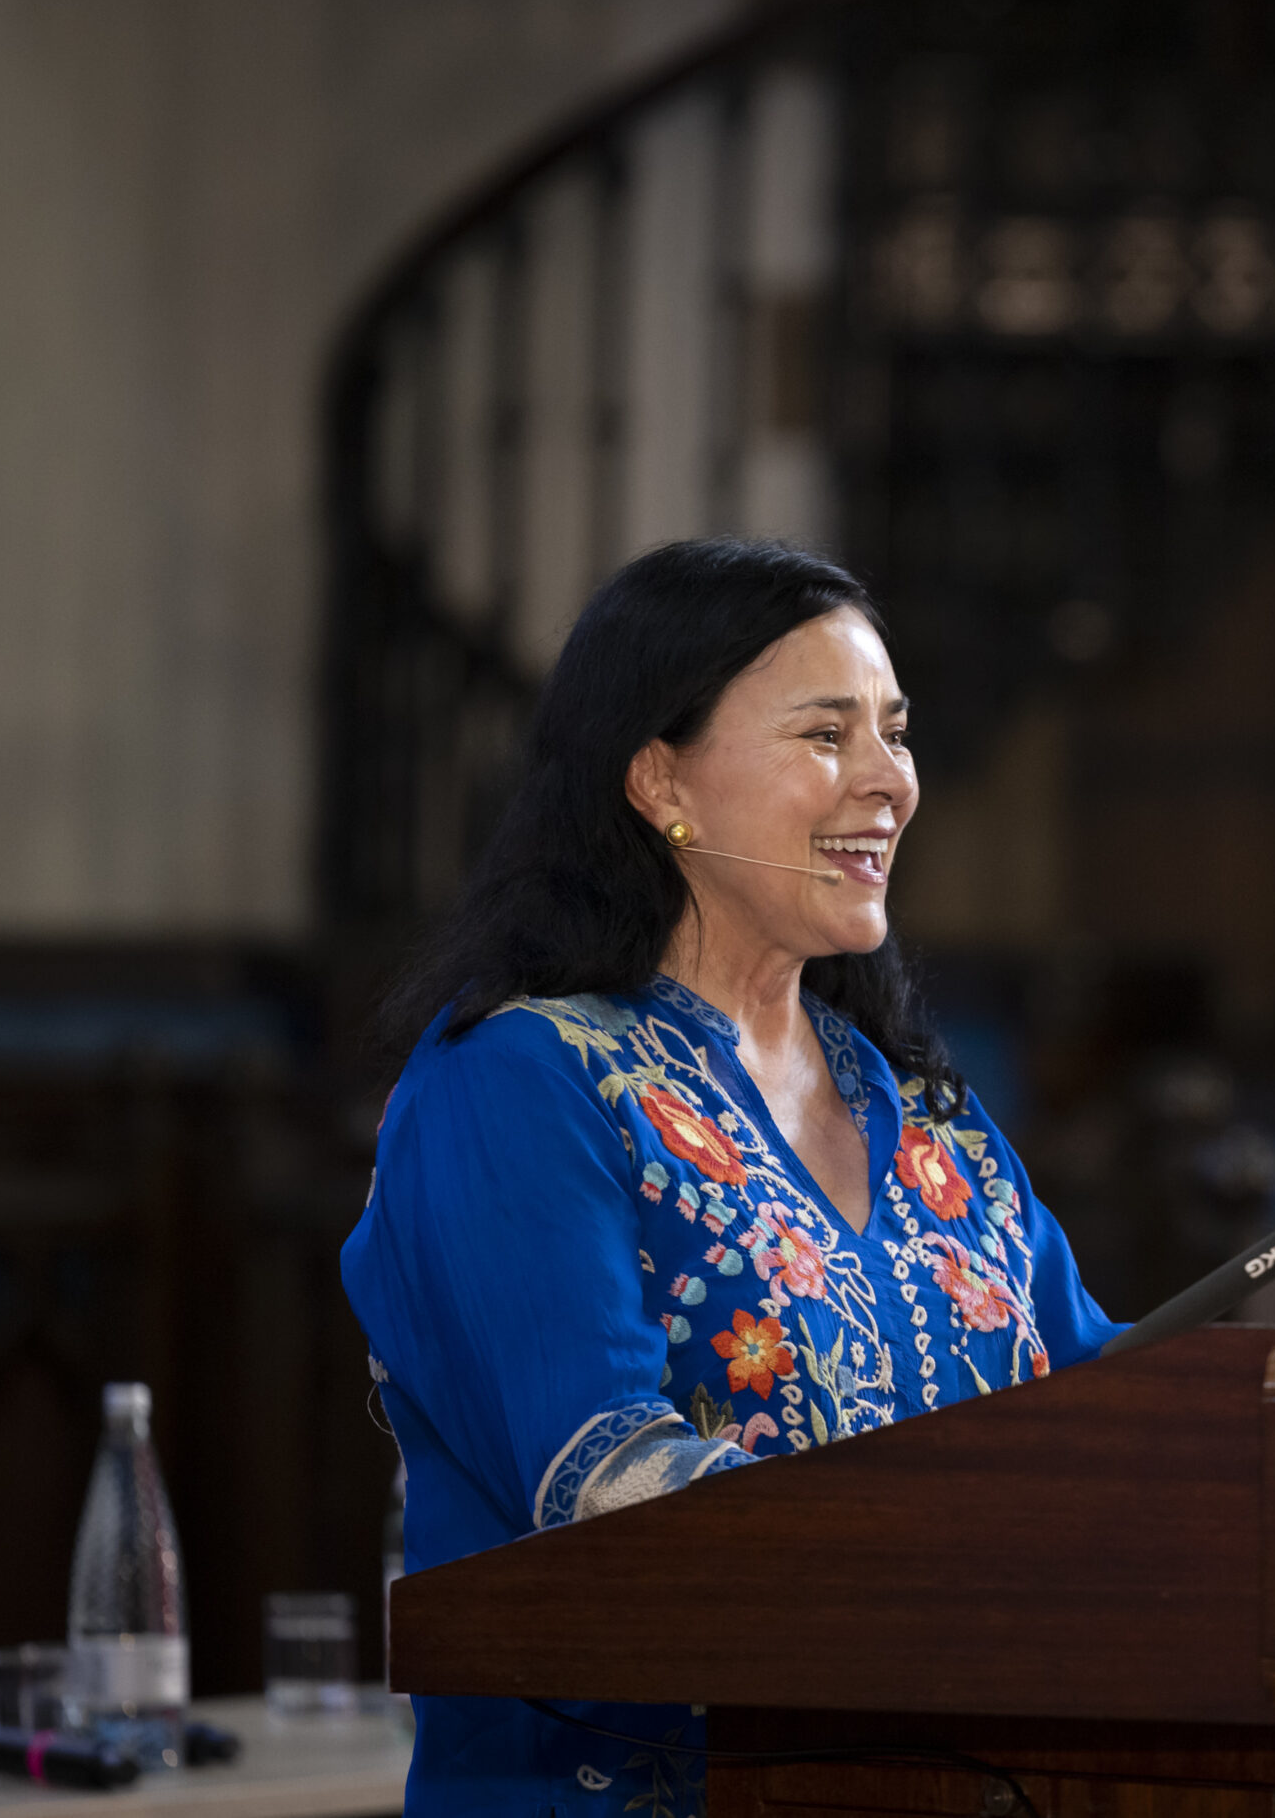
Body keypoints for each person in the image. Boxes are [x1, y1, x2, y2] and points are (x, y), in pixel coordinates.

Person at [340, 539, 1119, 1818]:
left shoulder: (917, 1102)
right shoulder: (519, 1082)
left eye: (896, 733)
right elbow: (607, 1485)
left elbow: (1095, 1399)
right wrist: (963, 1558)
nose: (889, 782)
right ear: (659, 782)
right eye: (826, 733)